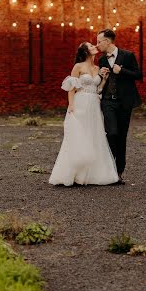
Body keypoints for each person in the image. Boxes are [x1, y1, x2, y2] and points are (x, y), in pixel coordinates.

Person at [49, 42, 119, 186]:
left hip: (94, 104)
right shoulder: (78, 66)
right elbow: (71, 88)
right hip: (80, 102)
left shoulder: (98, 68)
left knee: (94, 135)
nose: (95, 46)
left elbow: (98, 89)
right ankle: (75, 173)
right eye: (91, 45)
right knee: (80, 135)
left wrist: (104, 79)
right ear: (86, 51)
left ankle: (93, 173)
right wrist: (71, 105)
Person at [97, 29, 142, 185]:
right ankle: (108, 169)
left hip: (124, 102)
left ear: (108, 41)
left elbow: (138, 75)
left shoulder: (128, 55)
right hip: (108, 102)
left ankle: (119, 172)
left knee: (121, 137)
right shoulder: (102, 60)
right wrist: (102, 76)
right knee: (111, 133)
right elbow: (101, 82)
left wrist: (121, 70)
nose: (97, 45)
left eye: (99, 42)